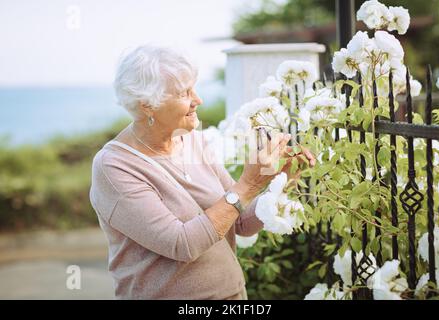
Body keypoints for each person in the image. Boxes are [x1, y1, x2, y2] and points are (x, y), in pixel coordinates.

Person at [89, 44, 316, 299]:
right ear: (147, 105)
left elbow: (239, 221)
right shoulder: (114, 167)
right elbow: (182, 244)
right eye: (185, 93)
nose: (198, 100)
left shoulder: (193, 140)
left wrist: (282, 180)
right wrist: (248, 185)